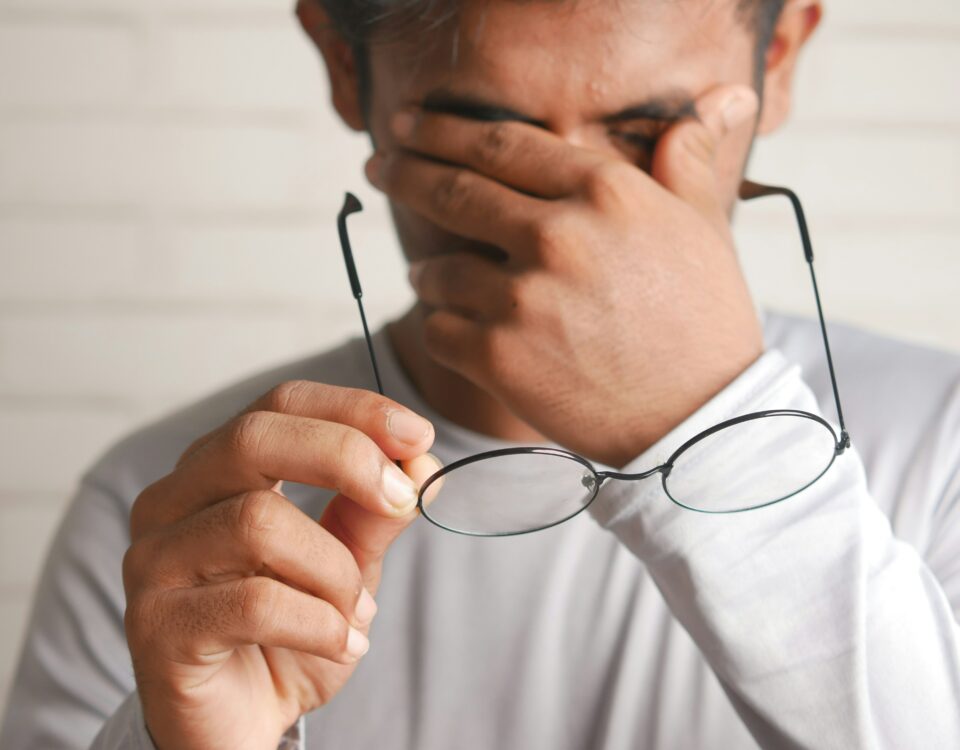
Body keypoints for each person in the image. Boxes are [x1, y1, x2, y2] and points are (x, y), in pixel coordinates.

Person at [3, 0, 960, 747]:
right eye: (484, 133)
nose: (572, 215)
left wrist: (710, 424)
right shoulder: (179, 513)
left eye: (643, 133)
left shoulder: (939, 442)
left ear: (781, 56)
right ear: (346, 66)